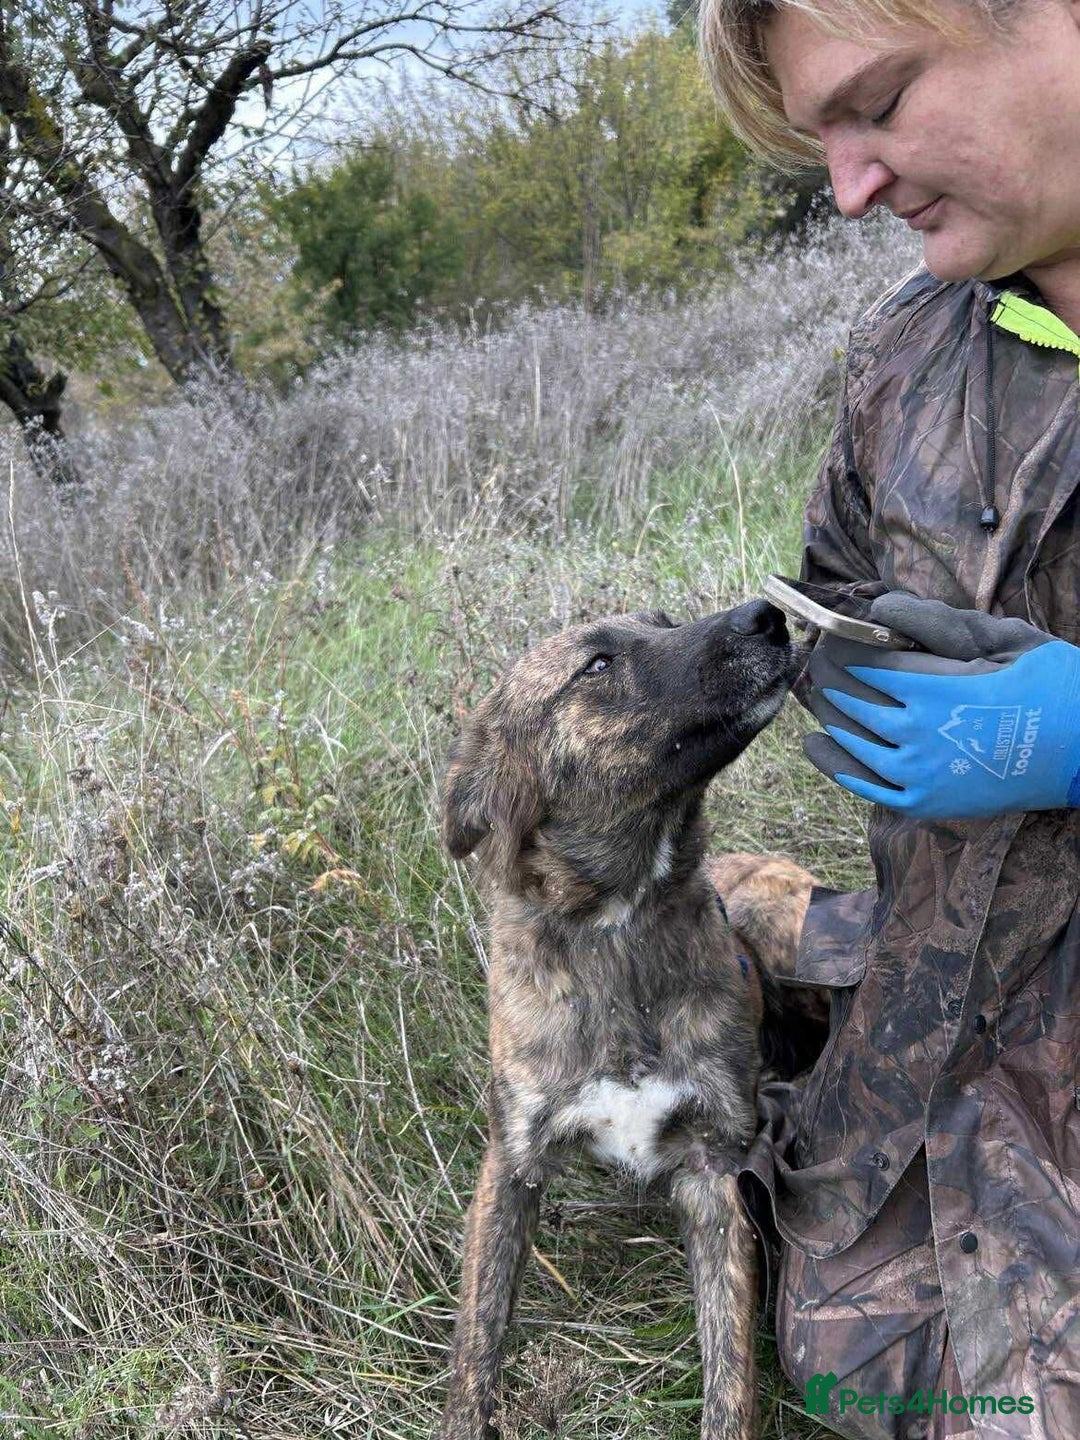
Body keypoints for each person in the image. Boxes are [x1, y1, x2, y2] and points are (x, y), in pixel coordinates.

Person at [698, 2, 1080, 1437]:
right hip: (936, 1056)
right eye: (824, 142)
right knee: (849, 1366)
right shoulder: (905, 361)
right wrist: (835, 663)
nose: (853, 186)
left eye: (882, 103)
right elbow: (826, 606)